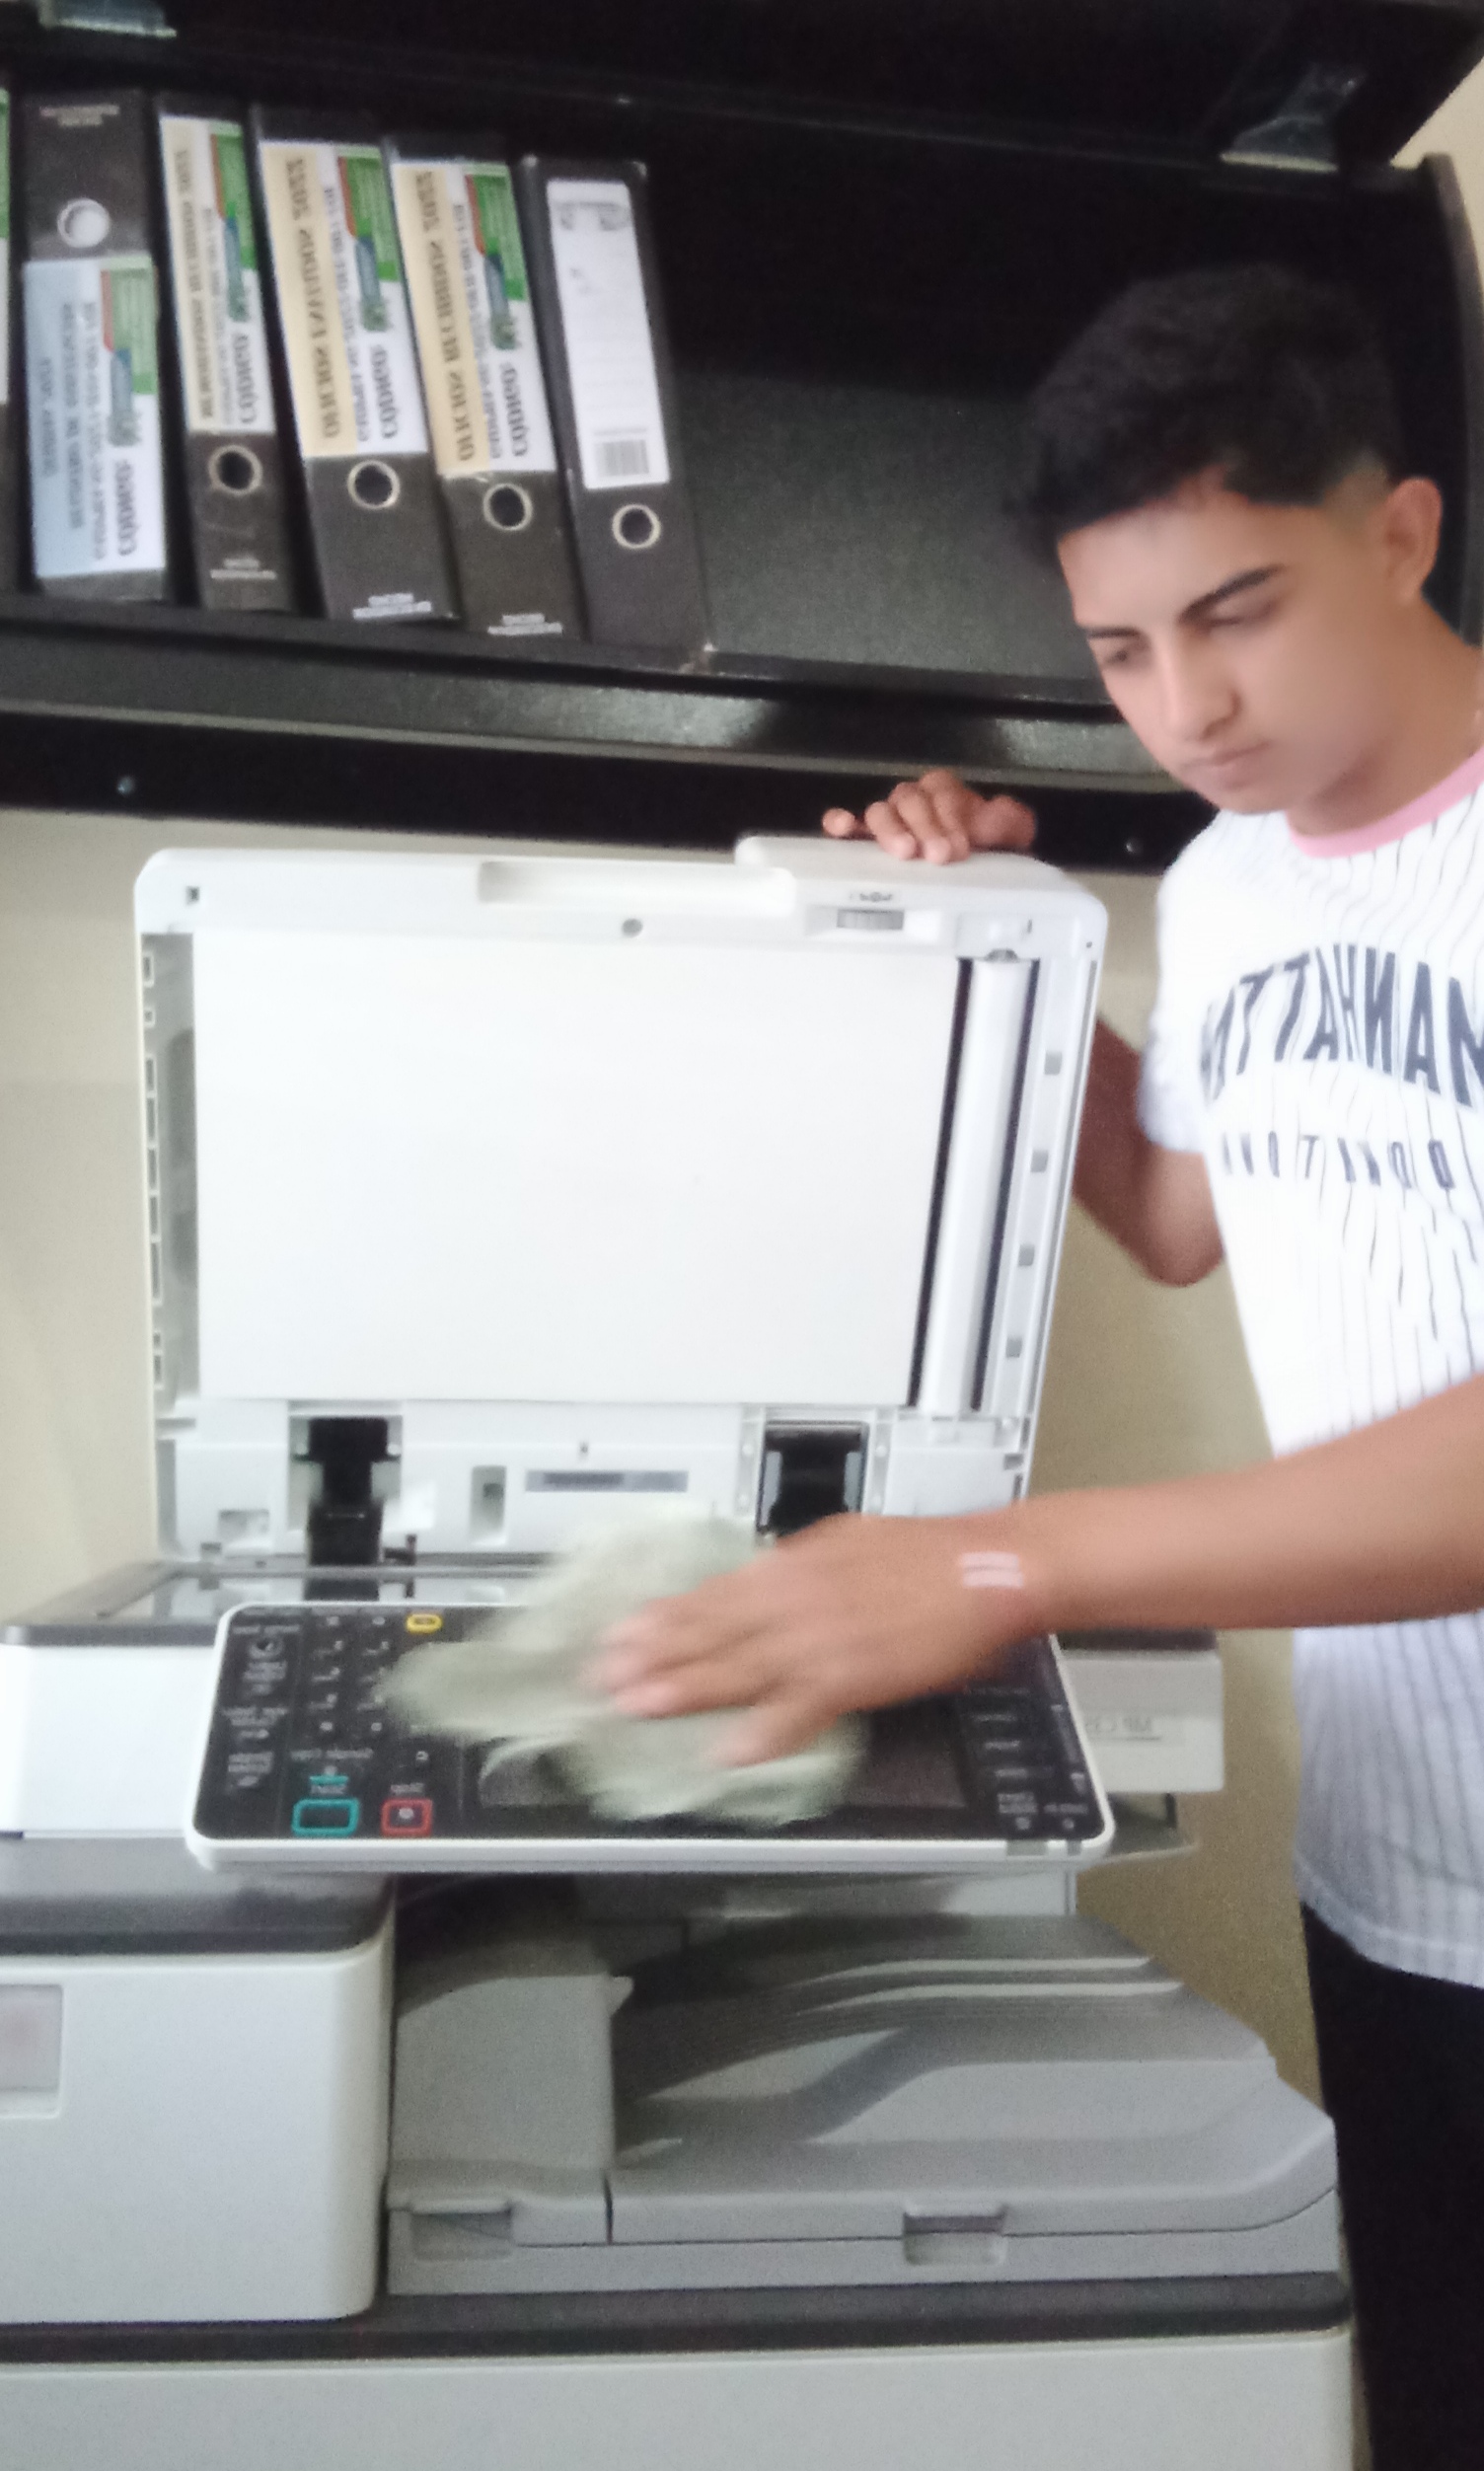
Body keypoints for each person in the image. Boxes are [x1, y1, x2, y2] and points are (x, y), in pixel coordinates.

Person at [596, 264, 1484, 2470]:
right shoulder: (1238, 883)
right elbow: (1181, 1213)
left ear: (1401, 531)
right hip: (1402, 1864)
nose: (1185, 706)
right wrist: (994, 944)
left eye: (1237, 612)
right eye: (1120, 651)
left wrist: (1002, 1565)